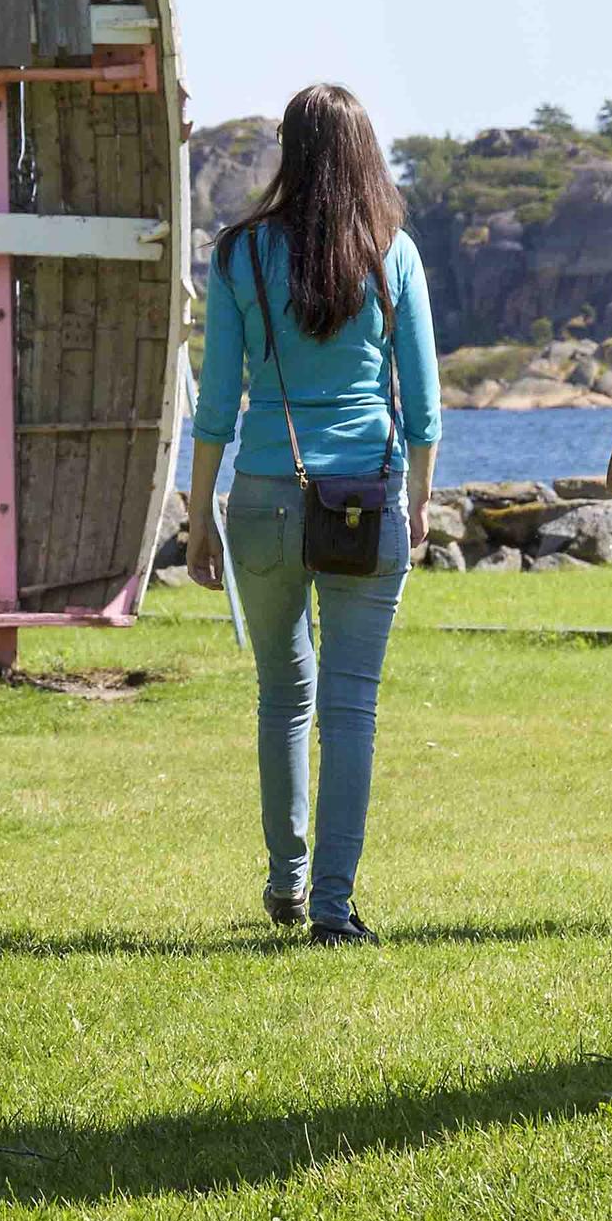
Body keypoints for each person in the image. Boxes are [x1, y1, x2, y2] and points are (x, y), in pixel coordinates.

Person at [186, 83, 439, 945]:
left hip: (260, 496)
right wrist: (421, 502)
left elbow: (215, 404)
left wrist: (197, 517)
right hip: (367, 498)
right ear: (366, 153)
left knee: (281, 696)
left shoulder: (241, 256)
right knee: (350, 706)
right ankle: (334, 906)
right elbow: (427, 408)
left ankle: (286, 883)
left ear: (289, 154)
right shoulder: (391, 254)